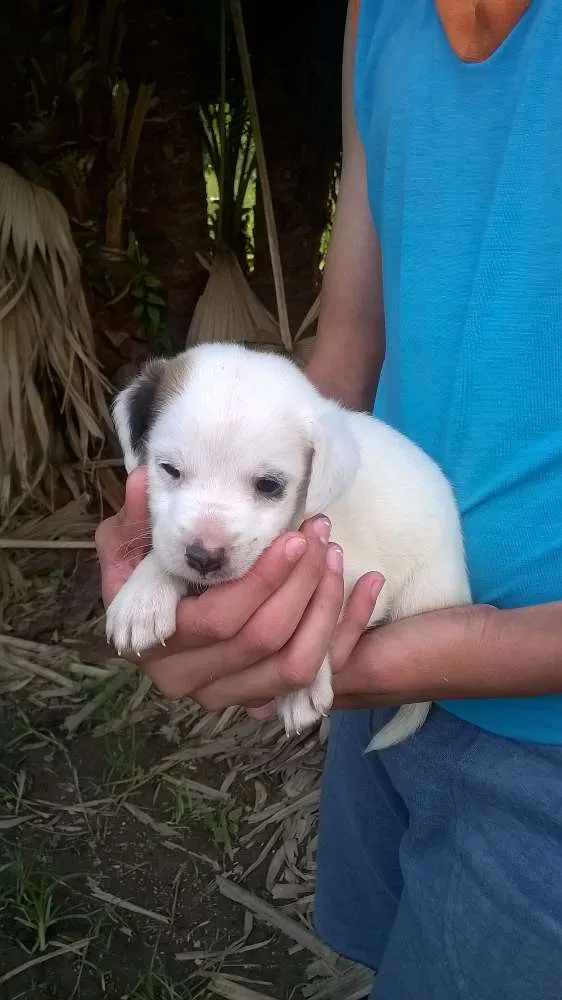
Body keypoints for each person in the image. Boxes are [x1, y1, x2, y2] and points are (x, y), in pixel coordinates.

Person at [96, 1, 562, 996]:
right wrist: (180, 544)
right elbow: (340, 365)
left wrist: (445, 649)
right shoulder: (380, 13)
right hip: (365, 646)